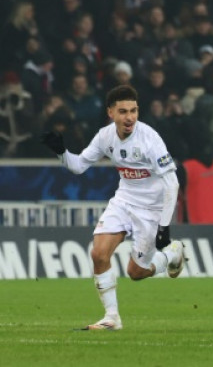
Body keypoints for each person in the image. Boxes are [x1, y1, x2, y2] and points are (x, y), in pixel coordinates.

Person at [40, 85, 186, 330]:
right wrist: (61, 152)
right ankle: (112, 318)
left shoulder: (150, 139)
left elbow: (173, 183)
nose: (129, 117)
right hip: (124, 200)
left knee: (136, 272)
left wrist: (164, 228)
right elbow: (78, 166)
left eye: (133, 111)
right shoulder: (105, 136)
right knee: (98, 254)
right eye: (123, 111)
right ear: (111, 113)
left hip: (151, 209)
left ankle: (173, 253)